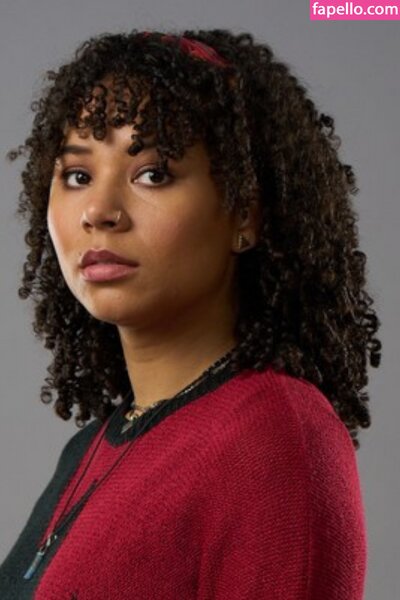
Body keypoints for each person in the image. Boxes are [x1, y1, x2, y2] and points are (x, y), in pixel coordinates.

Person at [0, 28, 381, 599]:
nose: (99, 211)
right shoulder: (89, 448)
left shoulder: (273, 438)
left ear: (244, 215)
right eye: (77, 176)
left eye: (153, 173)